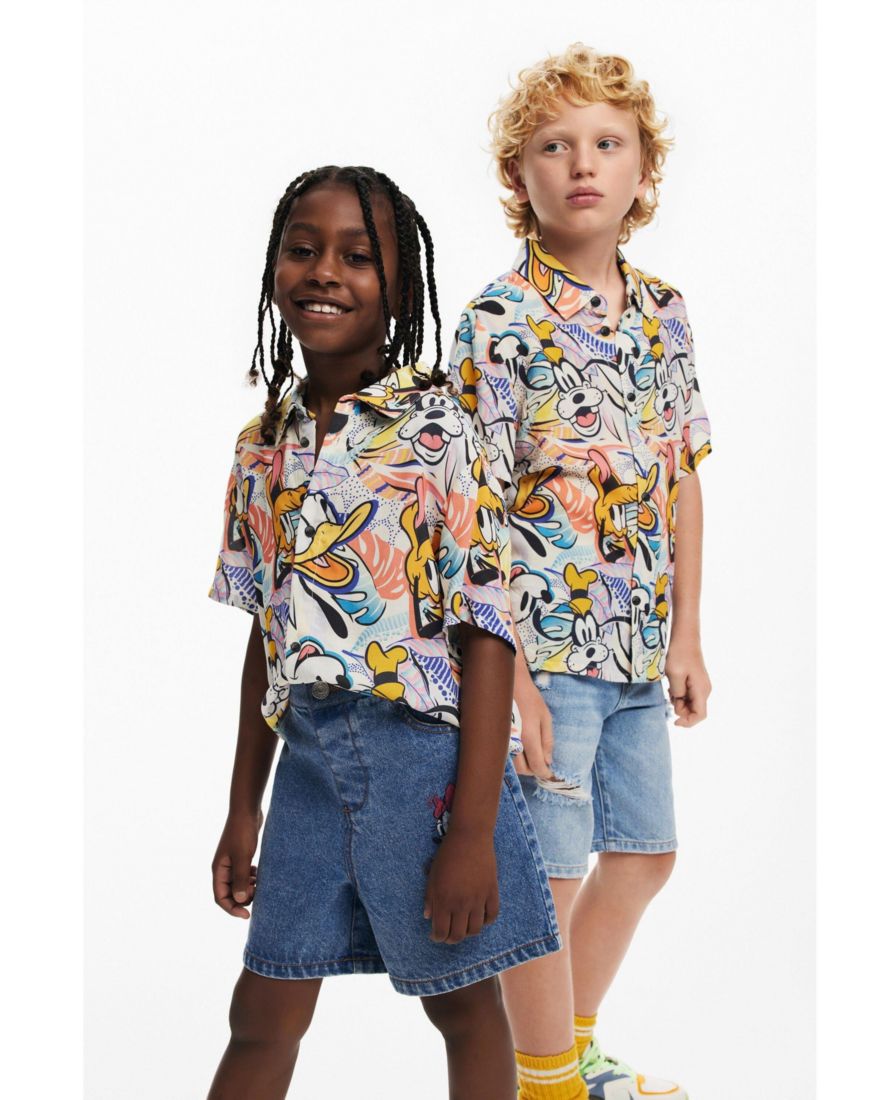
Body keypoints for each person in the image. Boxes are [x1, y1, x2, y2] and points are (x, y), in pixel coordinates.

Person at [206, 164, 561, 1100]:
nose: (325, 271)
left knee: (463, 1003)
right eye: (303, 249)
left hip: (424, 766)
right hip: (309, 767)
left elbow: (487, 633)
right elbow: (267, 638)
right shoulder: (263, 445)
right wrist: (243, 807)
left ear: (400, 290)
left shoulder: (439, 432)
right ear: (275, 268)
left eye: (358, 257)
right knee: (263, 1008)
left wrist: (472, 832)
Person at [448, 47, 713, 1100]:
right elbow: (469, 511)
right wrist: (507, 675)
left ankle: (569, 1049)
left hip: (639, 645)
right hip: (545, 651)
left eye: (608, 143)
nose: (584, 163)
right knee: (551, 874)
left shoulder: (665, 310)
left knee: (644, 853)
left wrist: (687, 632)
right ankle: (548, 1081)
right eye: (555, 147)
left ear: (644, 168)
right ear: (520, 176)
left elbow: (681, 475)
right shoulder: (497, 321)